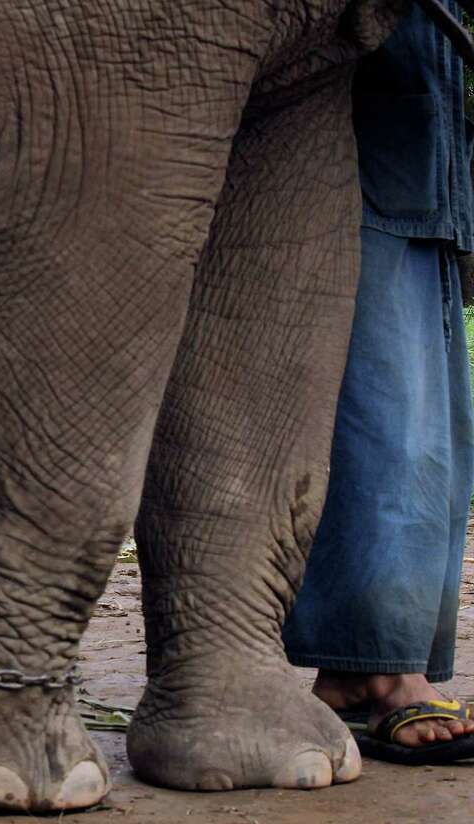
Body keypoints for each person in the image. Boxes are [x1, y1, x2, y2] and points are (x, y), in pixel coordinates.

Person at [282, 0, 474, 764]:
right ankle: (380, 669)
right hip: (365, 189)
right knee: (389, 438)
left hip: (426, 185)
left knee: (436, 448)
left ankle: (363, 669)